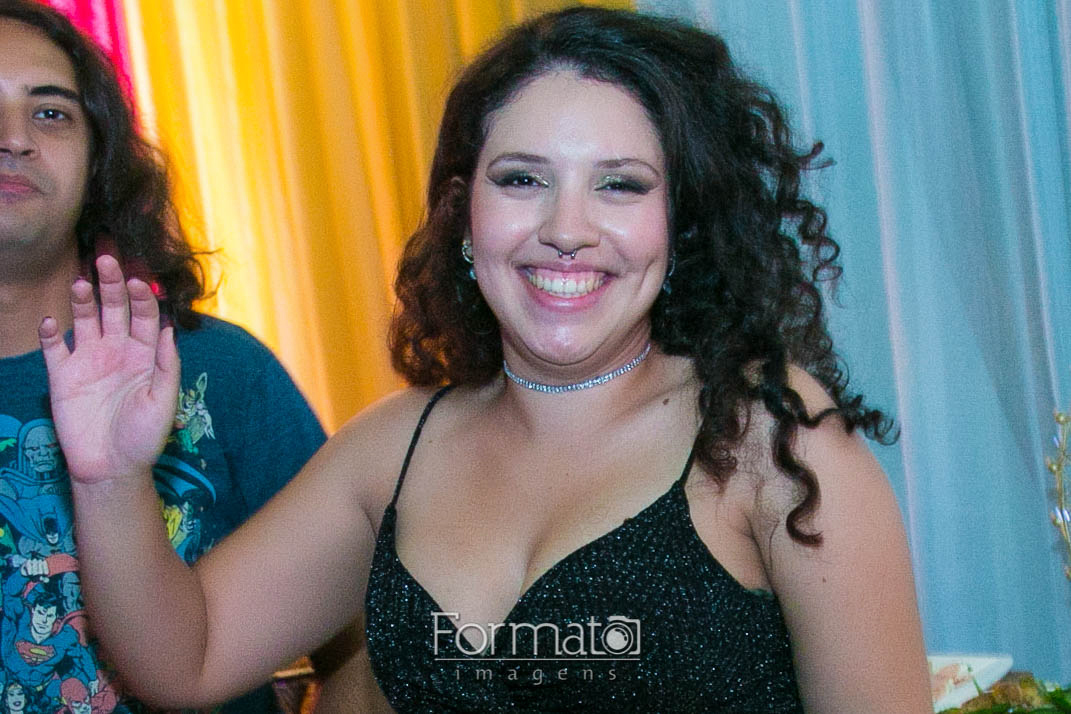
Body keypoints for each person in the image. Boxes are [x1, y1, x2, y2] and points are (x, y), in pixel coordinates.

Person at [39, 7, 932, 713]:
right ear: (465, 215)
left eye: (619, 184)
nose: (566, 228)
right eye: (522, 179)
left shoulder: (771, 440)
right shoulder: (392, 448)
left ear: (680, 223)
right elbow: (186, 658)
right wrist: (110, 476)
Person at [0, 1, 325, 711]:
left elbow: (365, 639)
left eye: (51, 113)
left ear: (99, 160)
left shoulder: (224, 373)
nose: (14, 138)